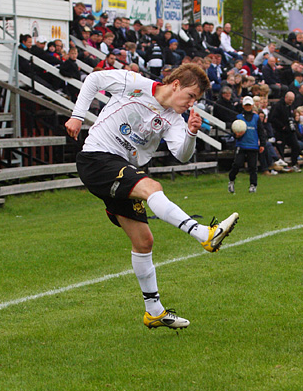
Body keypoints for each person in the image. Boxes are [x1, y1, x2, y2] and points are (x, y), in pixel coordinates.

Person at [64, 64, 239, 330]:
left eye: (197, 100)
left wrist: (191, 133)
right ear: (176, 83)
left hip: (123, 168)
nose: (192, 103)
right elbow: (94, 79)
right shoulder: (134, 83)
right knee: (152, 188)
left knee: (144, 241)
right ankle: (204, 234)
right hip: (97, 158)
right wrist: (78, 116)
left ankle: (154, 311)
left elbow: (182, 155)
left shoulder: (174, 119)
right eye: (191, 96)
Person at [228, 96, 266, 194]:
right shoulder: (239, 118)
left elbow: (261, 131)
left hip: (253, 145)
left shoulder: (256, 118)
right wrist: (237, 135)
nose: (248, 107)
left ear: (252, 105)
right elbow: (234, 132)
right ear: (243, 106)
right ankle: (231, 181)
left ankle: (253, 185)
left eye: (249, 105)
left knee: (253, 167)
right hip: (241, 145)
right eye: (246, 105)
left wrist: (262, 144)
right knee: (236, 164)